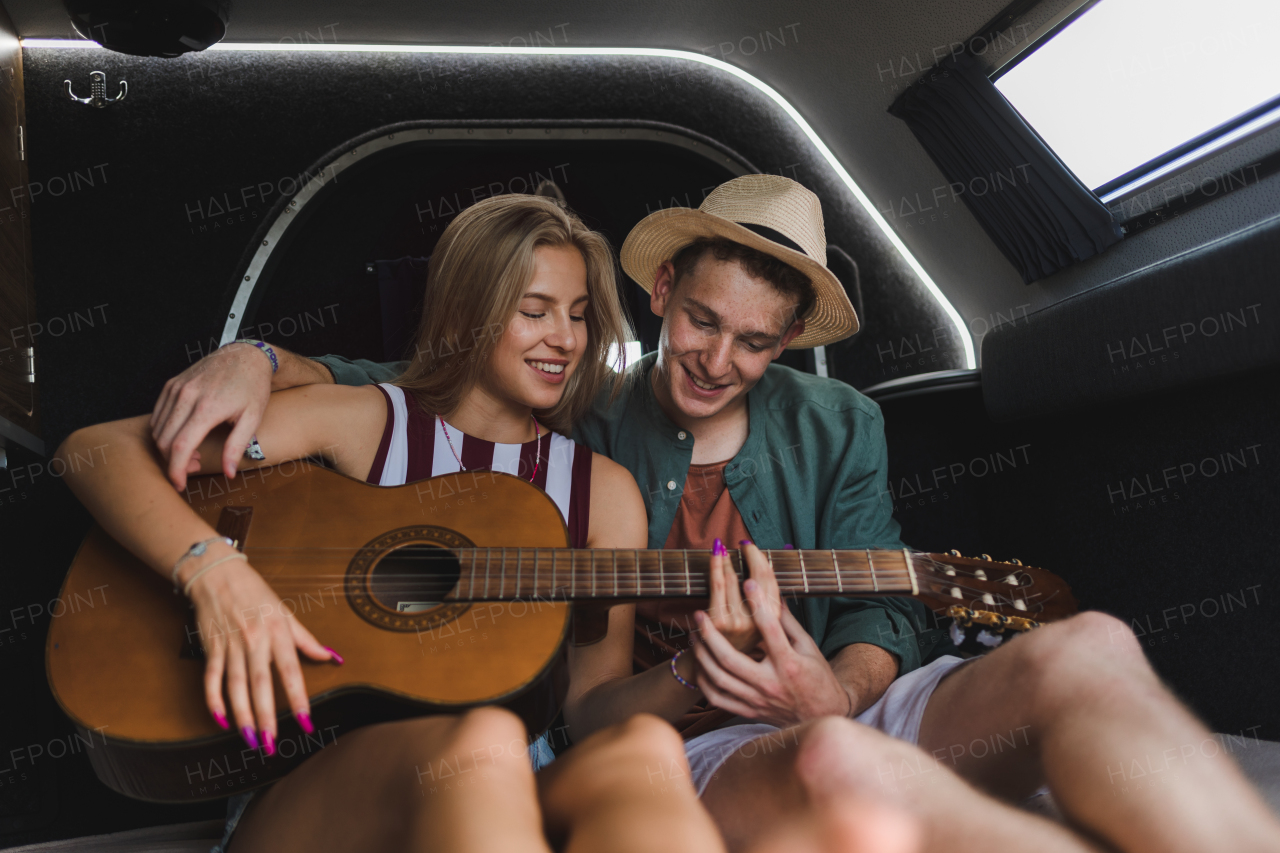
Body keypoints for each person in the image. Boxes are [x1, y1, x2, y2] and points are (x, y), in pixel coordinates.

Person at [147, 176, 1280, 853]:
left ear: (788, 341)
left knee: (1088, 646)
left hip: (831, 693)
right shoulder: (571, 415)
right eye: (699, 323)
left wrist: (833, 684)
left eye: (753, 342)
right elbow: (421, 386)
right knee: (832, 766)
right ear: (660, 294)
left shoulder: (841, 423)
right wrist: (255, 356)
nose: (716, 359)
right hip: (692, 732)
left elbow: (890, 614)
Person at [58, 193, 676, 852]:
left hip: (515, 785)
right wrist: (217, 574)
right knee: (483, 744)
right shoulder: (369, 423)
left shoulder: (601, 494)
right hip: (327, 796)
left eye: (579, 316)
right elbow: (95, 451)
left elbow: (590, 706)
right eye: (534, 311)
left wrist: (695, 667)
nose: (566, 338)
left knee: (642, 748)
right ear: (468, 311)